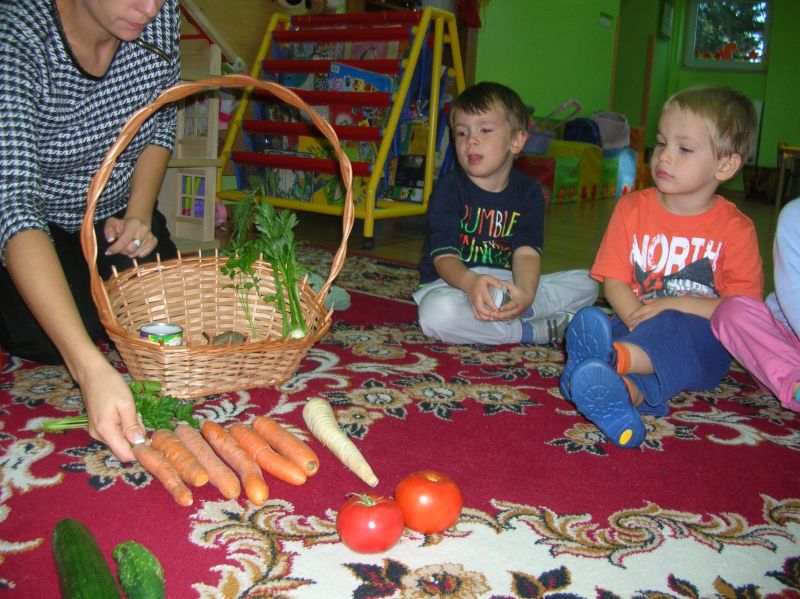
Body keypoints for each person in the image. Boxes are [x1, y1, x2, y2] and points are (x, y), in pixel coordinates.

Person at [0, 0, 180, 462]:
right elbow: (15, 203)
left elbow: (159, 122)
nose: (149, 9)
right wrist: (87, 370)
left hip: (113, 212)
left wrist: (139, 214)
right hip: (36, 222)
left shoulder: (159, 14)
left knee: (158, 310)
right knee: (50, 336)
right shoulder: (17, 32)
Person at [560, 85, 762, 448]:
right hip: (635, 321)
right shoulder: (631, 209)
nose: (664, 157)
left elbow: (743, 309)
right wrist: (638, 314)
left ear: (726, 164)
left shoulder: (736, 229)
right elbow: (615, 281)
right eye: (661, 142)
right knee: (615, 331)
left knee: (667, 326)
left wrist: (673, 304)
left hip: (700, 346)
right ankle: (620, 396)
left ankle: (607, 359)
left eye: (684, 149)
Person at [413, 82, 598, 345]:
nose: (471, 141)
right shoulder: (448, 189)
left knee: (589, 282)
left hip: (508, 283)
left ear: (516, 140)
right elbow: (444, 258)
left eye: (485, 130)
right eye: (462, 133)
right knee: (435, 315)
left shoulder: (530, 193)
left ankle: (524, 311)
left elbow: (526, 252)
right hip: (453, 285)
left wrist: (526, 294)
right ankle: (531, 331)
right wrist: (470, 283)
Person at [711, 197, 800, 412]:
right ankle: (793, 385)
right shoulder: (795, 216)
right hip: (784, 348)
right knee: (732, 312)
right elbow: (794, 296)